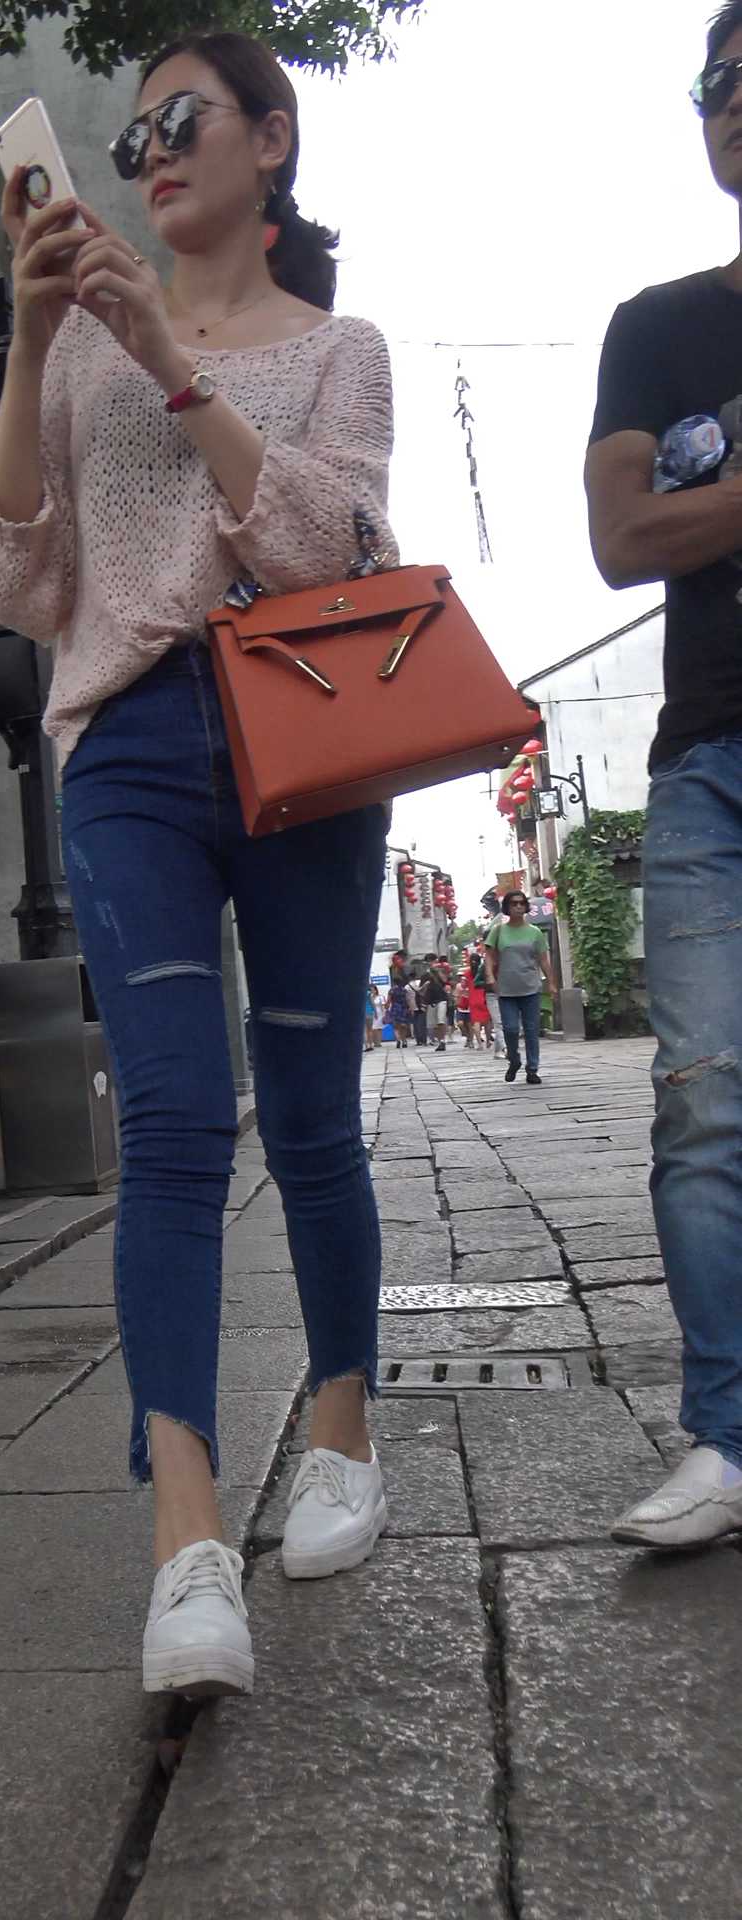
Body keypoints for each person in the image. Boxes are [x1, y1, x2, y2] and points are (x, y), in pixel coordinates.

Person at [0, 29, 398, 1696]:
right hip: (134, 746)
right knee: (170, 1119)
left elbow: (322, 540)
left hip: (305, 731)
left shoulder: (340, 349)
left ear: (270, 141)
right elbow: (13, 576)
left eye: (181, 120)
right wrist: (39, 343)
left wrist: (167, 354)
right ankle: (187, 1538)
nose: (146, 152)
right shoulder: (76, 353)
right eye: (129, 132)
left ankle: (343, 1428)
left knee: (310, 1110)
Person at [583, 0, 742, 1548]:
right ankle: (726, 1439)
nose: (734, 97)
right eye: (716, 78)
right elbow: (623, 538)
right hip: (706, 761)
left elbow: (669, 519)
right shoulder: (658, 327)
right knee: (701, 1102)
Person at [483, 892, 554, 1085]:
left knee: (531, 1030)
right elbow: (489, 956)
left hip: (530, 987)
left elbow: (543, 960)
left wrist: (551, 982)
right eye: (514, 904)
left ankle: (532, 1069)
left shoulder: (534, 932)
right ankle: (514, 1059)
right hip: (506, 989)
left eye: (522, 903)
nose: (518, 907)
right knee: (511, 1029)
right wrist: (490, 976)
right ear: (507, 907)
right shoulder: (498, 931)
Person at [423, 953, 449, 1053]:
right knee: (433, 1025)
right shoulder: (426, 974)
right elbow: (422, 988)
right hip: (431, 1001)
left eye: (430, 961)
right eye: (428, 962)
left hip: (441, 999)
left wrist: (437, 970)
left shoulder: (440, 969)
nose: (429, 963)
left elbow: (445, 980)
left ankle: (442, 1041)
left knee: (441, 1021)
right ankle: (439, 1041)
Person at [468, 943, 491, 1049]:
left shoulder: (467, 973)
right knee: (487, 1020)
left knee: (476, 1021)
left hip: (473, 999)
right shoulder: (483, 970)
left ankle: (479, 1044)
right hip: (484, 996)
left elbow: (464, 986)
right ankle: (488, 1041)